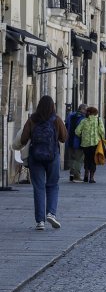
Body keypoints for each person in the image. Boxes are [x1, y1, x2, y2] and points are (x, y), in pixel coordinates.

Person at [12, 95, 67, 231]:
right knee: (53, 185)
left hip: (35, 157)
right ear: (53, 106)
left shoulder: (32, 119)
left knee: (38, 187)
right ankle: (51, 213)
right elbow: (64, 138)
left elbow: (24, 139)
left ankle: (40, 222)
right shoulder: (56, 119)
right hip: (52, 156)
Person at [73, 105, 104, 184]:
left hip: (85, 144)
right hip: (95, 143)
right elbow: (102, 132)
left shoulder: (84, 121)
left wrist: (83, 136)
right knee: (93, 160)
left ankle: (86, 175)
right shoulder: (98, 120)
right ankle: (92, 177)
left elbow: (77, 131)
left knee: (87, 159)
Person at [63, 104, 85, 182]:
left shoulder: (70, 115)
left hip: (69, 140)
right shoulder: (83, 118)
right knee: (78, 159)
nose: (86, 111)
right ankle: (77, 176)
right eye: (85, 110)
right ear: (82, 109)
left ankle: (71, 175)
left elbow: (66, 126)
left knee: (72, 158)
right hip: (78, 141)